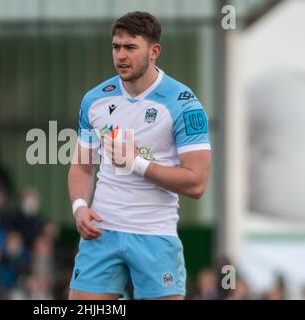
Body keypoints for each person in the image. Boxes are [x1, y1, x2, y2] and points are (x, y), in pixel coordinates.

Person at [67, 11, 211, 300]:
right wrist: (80, 206)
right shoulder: (95, 100)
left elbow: (196, 184)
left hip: (155, 236)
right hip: (101, 233)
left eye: (130, 47)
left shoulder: (184, 104)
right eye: (116, 47)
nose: (121, 55)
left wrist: (137, 163)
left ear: (154, 51)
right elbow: (82, 167)